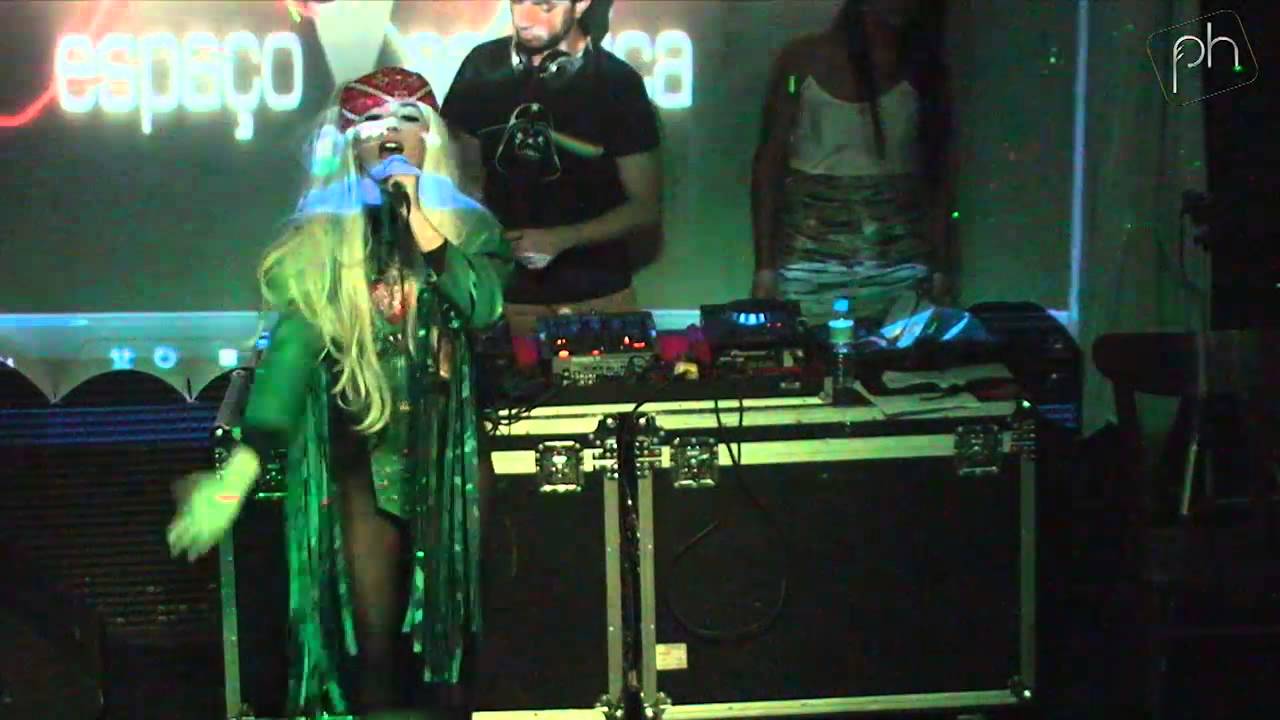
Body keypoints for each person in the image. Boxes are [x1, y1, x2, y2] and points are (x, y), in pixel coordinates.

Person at [165, 67, 513, 717]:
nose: (391, 136)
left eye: (407, 121)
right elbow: (289, 362)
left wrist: (421, 221)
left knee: (452, 649)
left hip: (450, 464)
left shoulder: (471, 231)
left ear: (432, 139)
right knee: (371, 649)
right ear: (350, 148)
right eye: (373, 126)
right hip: (361, 462)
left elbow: (483, 306)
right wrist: (236, 477)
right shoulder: (320, 245)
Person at [441, 0, 662, 336]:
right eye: (518, 2)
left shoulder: (618, 83)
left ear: (581, 4)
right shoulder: (481, 68)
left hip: (597, 298)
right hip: (502, 298)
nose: (524, 19)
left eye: (543, 5)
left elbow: (644, 207)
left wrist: (562, 238)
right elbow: (459, 176)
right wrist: (486, 233)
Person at [751, 0, 955, 327]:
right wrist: (765, 268)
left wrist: (942, 267)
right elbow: (769, 166)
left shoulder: (924, 70)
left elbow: (939, 174)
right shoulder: (803, 60)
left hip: (899, 268)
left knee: (900, 355)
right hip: (810, 264)